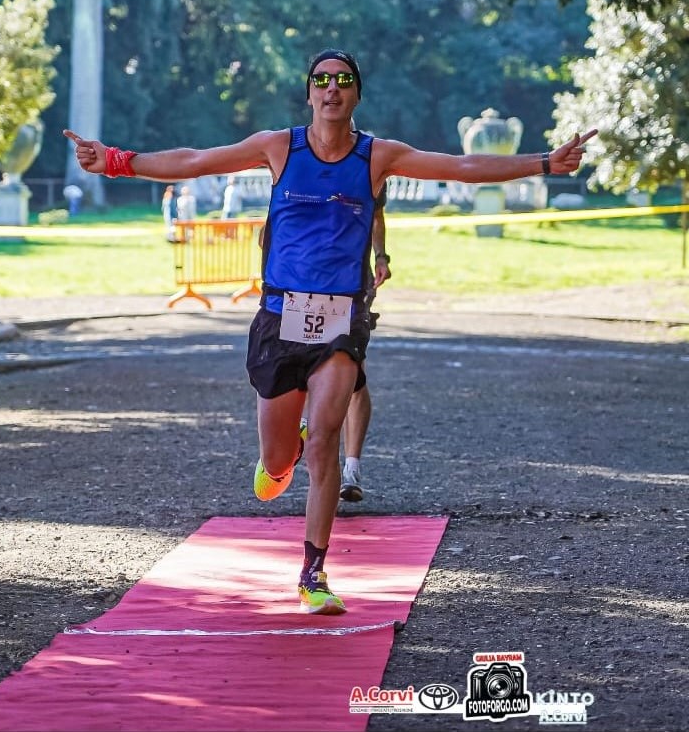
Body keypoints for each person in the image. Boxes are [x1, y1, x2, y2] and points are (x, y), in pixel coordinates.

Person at [64, 48, 595, 617]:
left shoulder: (378, 156)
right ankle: (279, 454)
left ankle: (313, 571)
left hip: (341, 320)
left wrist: (543, 163)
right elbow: (198, 160)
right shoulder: (278, 147)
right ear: (309, 93)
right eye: (322, 81)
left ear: (356, 94)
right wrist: (117, 160)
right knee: (278, 462)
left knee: (324, 441)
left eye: (343, 81)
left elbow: (460, 167)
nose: (332, 89)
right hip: (278, 318)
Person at [339, 179, 390, 503]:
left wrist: (381, 256)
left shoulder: (371, 165)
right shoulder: (302, 162)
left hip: (354, 285)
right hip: (303, 283)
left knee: (354, 374)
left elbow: (377, 215)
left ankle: (351, 468)